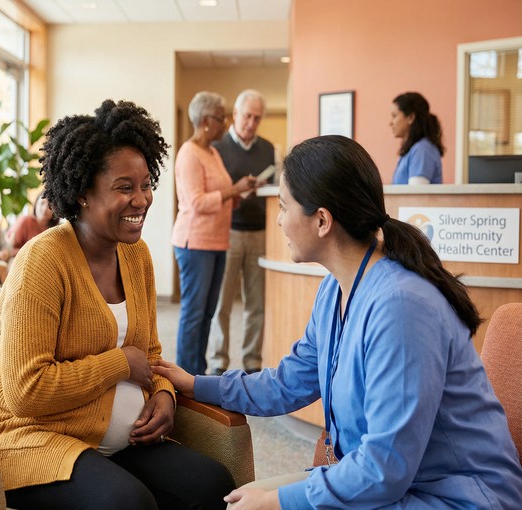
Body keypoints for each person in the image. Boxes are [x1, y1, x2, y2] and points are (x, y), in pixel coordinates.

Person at [152, 135, 522, 509]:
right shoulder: (335, 290)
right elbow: (288, 384)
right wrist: (198, 385)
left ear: (322, 221)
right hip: (393, 484)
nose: (278, 220)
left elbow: (384, 469)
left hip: (454, 497)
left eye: (284, 207)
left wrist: (279, 502)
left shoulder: (402, 307)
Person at [0, 99, 236, 510]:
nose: (142, 199)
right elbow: (26, 389)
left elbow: (149, 353)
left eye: (146, 184)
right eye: (124, 188)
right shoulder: (41, 262)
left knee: (213, 484)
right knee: (127, 504)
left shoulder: (136, 255)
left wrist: (163, 394)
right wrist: (120, 363)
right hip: (34, 438)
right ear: (81, 195)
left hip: (120, 439)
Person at [171, 91, 256, 375]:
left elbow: (221, 197)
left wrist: (240, 193)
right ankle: (184, 378)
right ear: (206, 121)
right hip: (194, 243)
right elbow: (196, 202)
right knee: (194, 314)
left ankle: (197, 373)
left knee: (208, 313)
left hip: (217, 242)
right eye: (221, 118)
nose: (225, 123)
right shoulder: (189, 154)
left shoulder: (213, 152)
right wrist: (234, 189)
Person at [207, 89, 274, 375]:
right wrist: (236, 189)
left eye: (257, 118)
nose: (251, 122)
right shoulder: (218, 147)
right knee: (222, 301)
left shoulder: (268, 149)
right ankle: (218, 363)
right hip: (228, 231)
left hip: (260, 232)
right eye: (247, 116)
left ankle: (252, 363)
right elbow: (210, 190)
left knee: (255, 303)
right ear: (236, 115)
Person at [390, 91, 444, 184]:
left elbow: (417, 196)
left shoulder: (422, 150)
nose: (391, 123)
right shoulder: (412, 150)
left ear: (410, 117)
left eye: (394, 116)